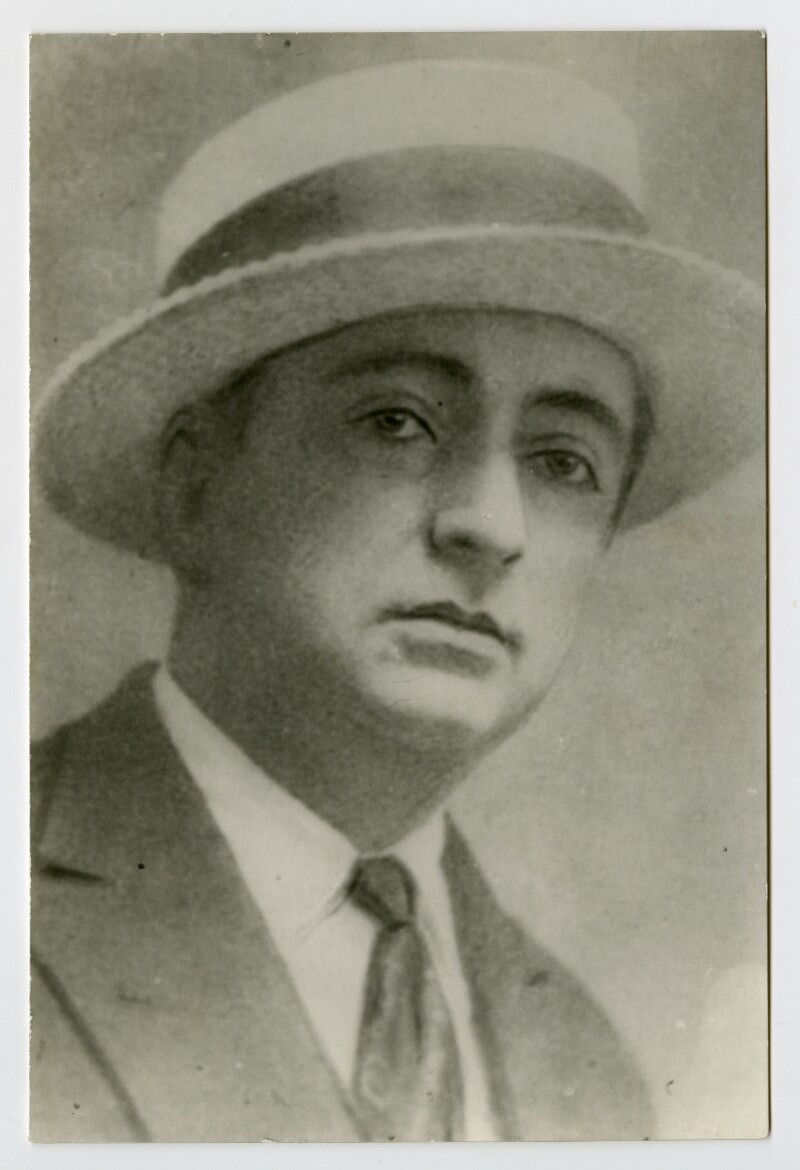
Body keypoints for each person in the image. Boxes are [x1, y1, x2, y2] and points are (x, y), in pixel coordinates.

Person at [29, 58, 764, 1143]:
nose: (490, 526)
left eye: (562, 462)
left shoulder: (583, 1062)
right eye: (397, 422)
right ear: (194, 478)